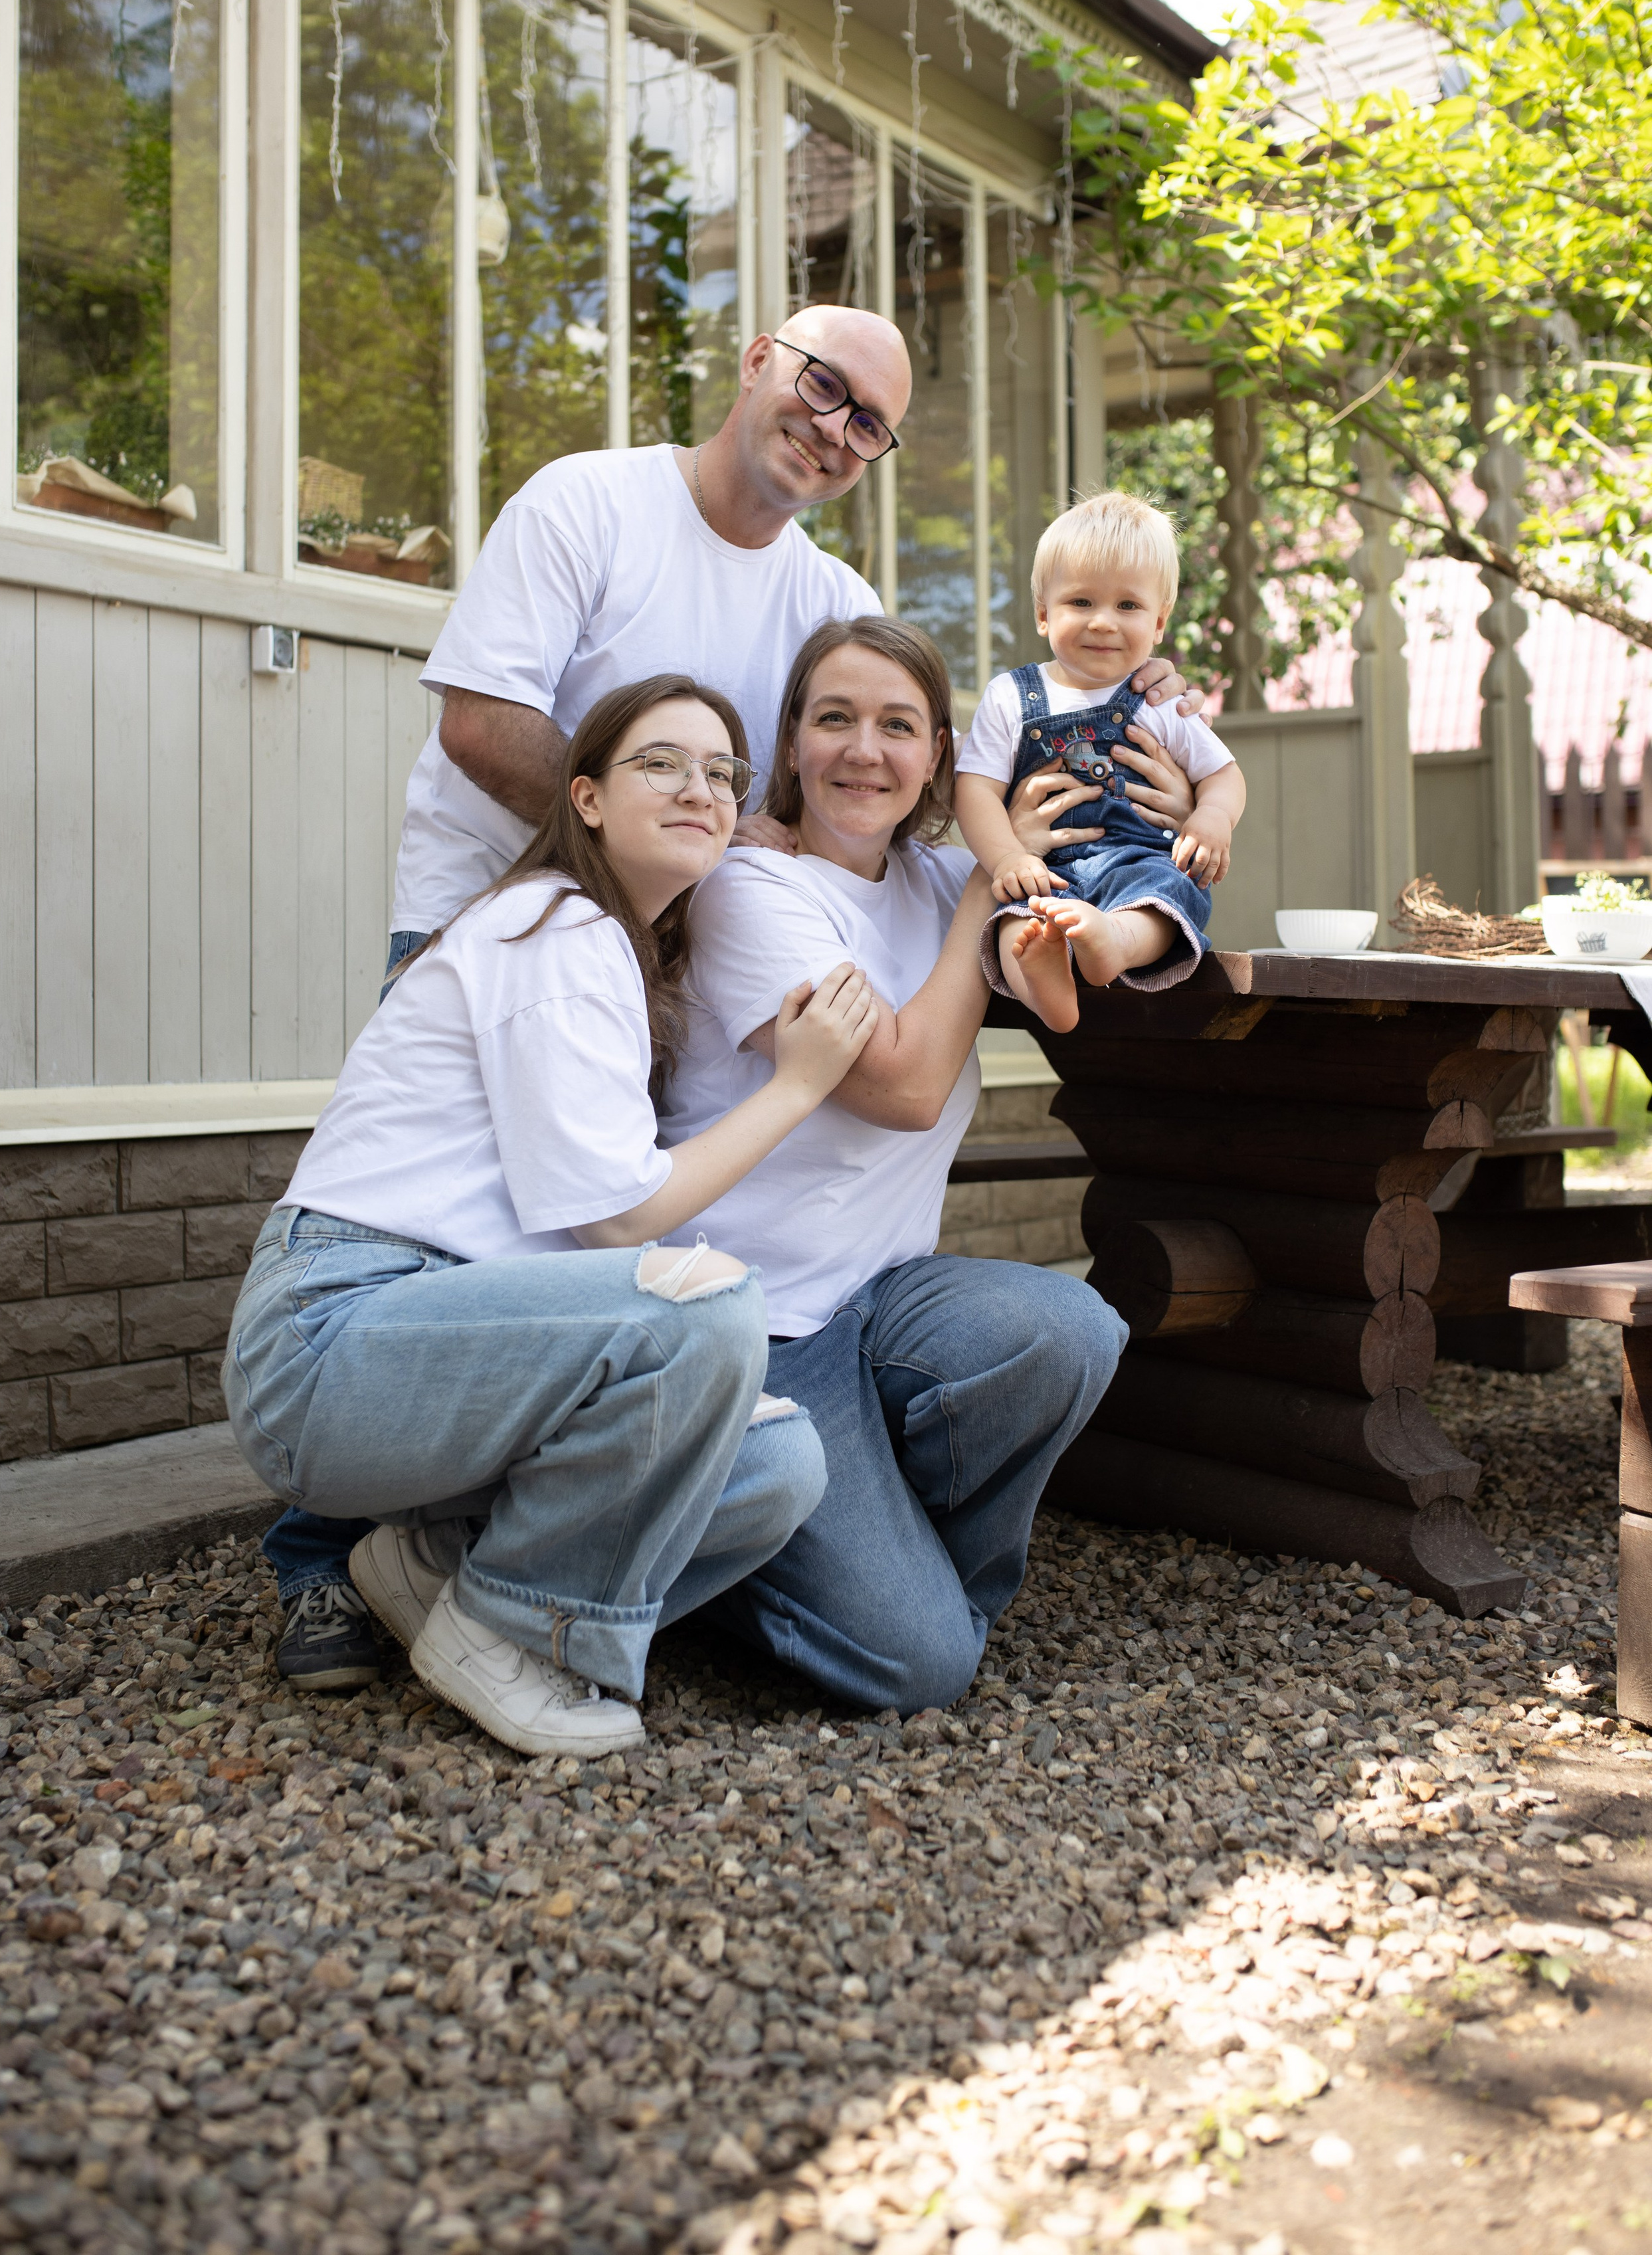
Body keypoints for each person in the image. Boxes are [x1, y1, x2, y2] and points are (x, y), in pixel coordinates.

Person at [266, 306, 1203, 1687]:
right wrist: (673, 852)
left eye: (867, 421)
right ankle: (334, 1559)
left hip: (669, 954)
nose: (833, 427)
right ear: (761, 356)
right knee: (465, 1243)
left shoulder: (821, 596)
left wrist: (1138, 723)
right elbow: (479, 722)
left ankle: (677, 1529)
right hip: (506, 917)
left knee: (601, 1247)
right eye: (823, 387)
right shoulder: (592, 502)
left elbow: (911, 739)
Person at [222, 677, 881, 1755]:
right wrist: (799, 1086)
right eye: (660, 763)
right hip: (334, 1335)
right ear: (584, 798)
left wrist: (712, 1398)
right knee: (709, 1306)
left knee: (780, 1466)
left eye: (722, 774)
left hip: (456, 1343)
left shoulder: (614, 952)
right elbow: (624, 1226)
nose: (701, 789)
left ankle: (439, 1573)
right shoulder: (553, 927)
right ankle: (500, 1636)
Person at [658, 616, 1128, 1713]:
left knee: (1074, 1330)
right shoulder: (748, 891)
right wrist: (985, 889)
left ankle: (878, 1571)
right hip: (751, 1322)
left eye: (897, 726)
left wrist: (1163, 789)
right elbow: (906, 1088)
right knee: (920, 1667)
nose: (864, 750)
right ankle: (708, 1562)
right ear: (790, 744)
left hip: (879, 1303)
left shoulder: (931, 876)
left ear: (938, 758)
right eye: (835, 719)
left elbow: (1073, 971)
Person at [955, 492, 1247, 1030]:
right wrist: (1005, 860)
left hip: (1138, 860)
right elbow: (974, 790)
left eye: (1128, 606)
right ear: (1044, 613)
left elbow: (1223, 775)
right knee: (1011, 923)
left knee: (1164, 899)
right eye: (1082, 603)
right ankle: (1048, 993)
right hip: (1044, 869)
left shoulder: (1160, 701)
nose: (1103, 623)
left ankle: (1112, 942)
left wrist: (1211, 818)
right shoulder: (1011, 696)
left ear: (1160, 623)